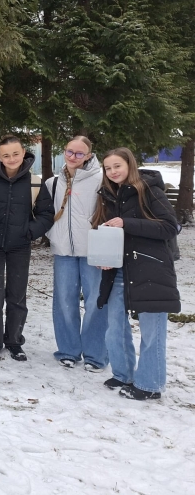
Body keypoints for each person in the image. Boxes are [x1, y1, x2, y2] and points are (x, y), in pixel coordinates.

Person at [94, 149, 179, 400]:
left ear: (130, 164)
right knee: (115, 326)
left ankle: (150, 385)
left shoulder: (149, 190)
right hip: (119, 269)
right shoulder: (108, 195)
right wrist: (104, 257)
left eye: (117, 166)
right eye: (108, 168)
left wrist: (126, 223)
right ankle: (123, 374)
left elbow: (169, 227)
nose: (113, 172)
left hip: (150, 268)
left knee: (152, 330)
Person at [0, 135, 54, 362]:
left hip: (19, 247)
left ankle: (14, 341)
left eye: (15, 154)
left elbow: (46, 214)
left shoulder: (34, 182)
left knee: (17, 296)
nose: (11, 159)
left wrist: (29, 232)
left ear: (23, 153)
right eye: (6, 155)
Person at [46, 137, 108, 372]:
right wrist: (52, 234)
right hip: (64, 251)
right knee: (64, 302)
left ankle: (95, 355)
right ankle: (68, 350)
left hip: (94, 251)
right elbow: (46, 213)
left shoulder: (101, 179)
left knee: (95, 302)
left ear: (89, 155)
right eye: (69, 151)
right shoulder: (53, 182)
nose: (73, 157)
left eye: (79, 153)